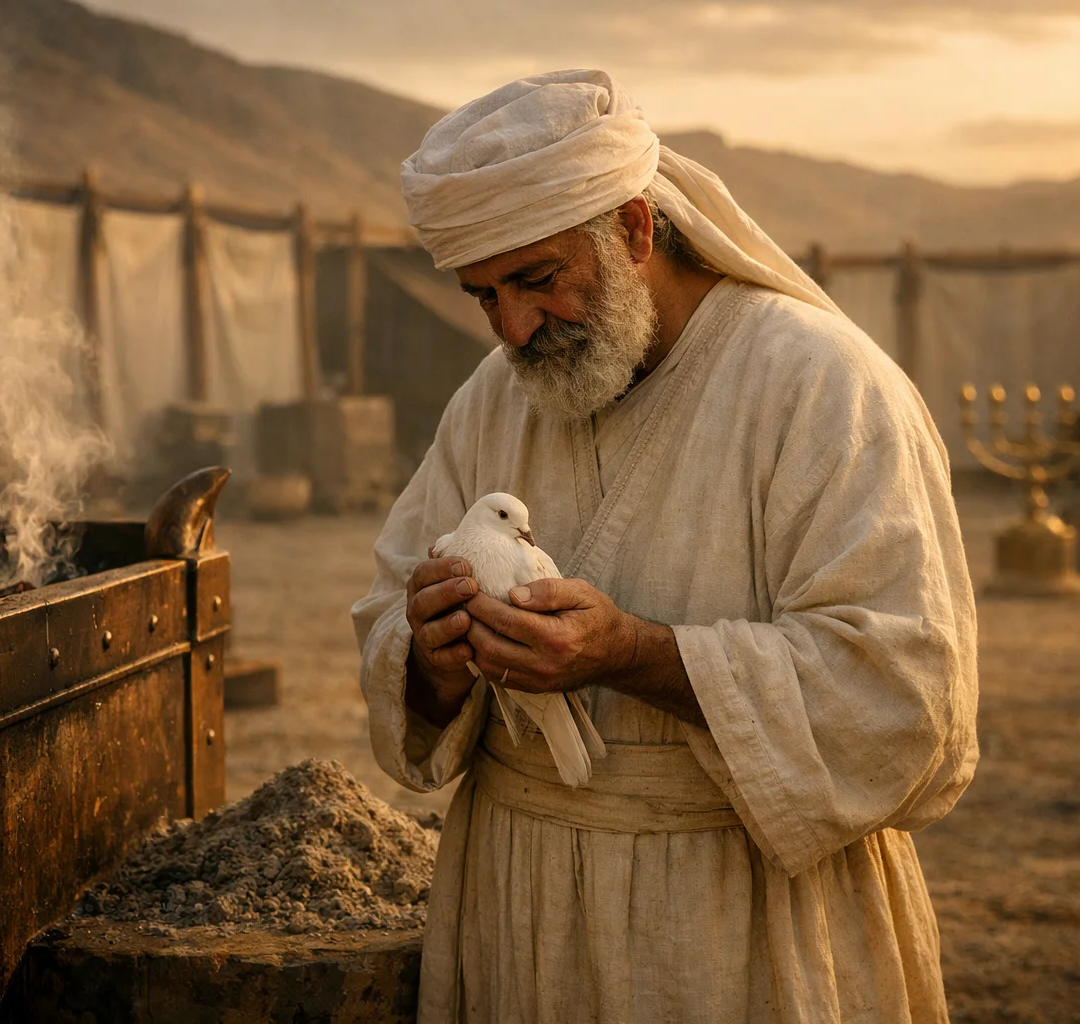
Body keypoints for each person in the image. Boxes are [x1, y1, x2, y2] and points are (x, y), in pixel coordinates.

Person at [352, 70, 978, 1023]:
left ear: (637, 232)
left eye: (537, 279)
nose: (512, 329)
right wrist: (430, 656)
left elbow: (903, 692)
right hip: (522, 919)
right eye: (483, 295)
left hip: (744, 928)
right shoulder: (491, 398)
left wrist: (636, 654)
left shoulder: (822, 387)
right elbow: (389, 621)